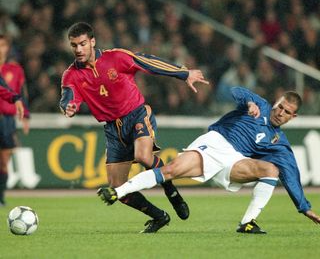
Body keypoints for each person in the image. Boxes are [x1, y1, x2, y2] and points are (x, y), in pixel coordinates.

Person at [98, 86, 320, 234]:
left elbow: (291, 173)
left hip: (235, 161)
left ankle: (247, 223)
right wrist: (249, 102)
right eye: (279, 106)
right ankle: (118, 191)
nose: (280, 112)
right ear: (275, 102)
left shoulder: (279, 143)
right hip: (214, 143)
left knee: (272, 170)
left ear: (293, 116)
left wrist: (304, 207)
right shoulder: (259, 105)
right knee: (170, 171)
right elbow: (236, 91)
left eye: (286, 111)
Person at [59, 22, 209, 233]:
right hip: (112, 129)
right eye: (74, 45)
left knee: (143, 156)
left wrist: (183, 74)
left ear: (92, 42)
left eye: (83, 44)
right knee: (117, 189)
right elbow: (67, 96)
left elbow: (148, 62)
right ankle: (159, 216)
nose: (78, 50)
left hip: (136, 114)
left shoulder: (115, 57)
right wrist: (68, 106)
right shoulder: (71, 74)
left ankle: (171, 191)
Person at [0, 34, 29, 206]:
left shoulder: (14, 69)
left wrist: (25, 115)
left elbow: (21, 92)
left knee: (4, 161)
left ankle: (1, 197)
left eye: (2, 45)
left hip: (7, 120)